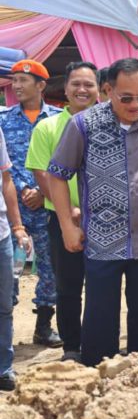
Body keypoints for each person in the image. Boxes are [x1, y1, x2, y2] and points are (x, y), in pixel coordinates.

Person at [47, 58, 138, 367]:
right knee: (100, 321)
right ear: (107, 91)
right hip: (103, 242)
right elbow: (57, 174)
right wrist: (67, 225)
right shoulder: (83, 125)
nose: (136, 105)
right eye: (126, 98)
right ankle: (99, 381)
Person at [25, 61, 98, 362]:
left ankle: (98, 342)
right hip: (62, 218)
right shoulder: (48, 126)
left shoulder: (109, 123)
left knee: (102, 284)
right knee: (68, 286)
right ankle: (72, 346)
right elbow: (42, 173)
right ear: (65, 89)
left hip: (104, 220)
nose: (82, 89)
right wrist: (68, 210)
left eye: (89, 84)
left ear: (99, 89)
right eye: (76, 84)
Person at [0, 59, 62, 347]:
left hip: (49, 203)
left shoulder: (59, 119)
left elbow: (62, 161)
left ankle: (44, 325)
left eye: (24, 81)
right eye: (14, 81)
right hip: (14, 208)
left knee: (51, 266)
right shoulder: (3, 120)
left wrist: (41, 190)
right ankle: (6, 329)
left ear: (41, 85)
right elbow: (5, 167)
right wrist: (26, 188)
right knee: (8, 270)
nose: (17, 86)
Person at [0, 128, 31, 391]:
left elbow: (6, 179)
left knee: (4, 304)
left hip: (1, 235)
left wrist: (18, 225)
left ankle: (3, 368)